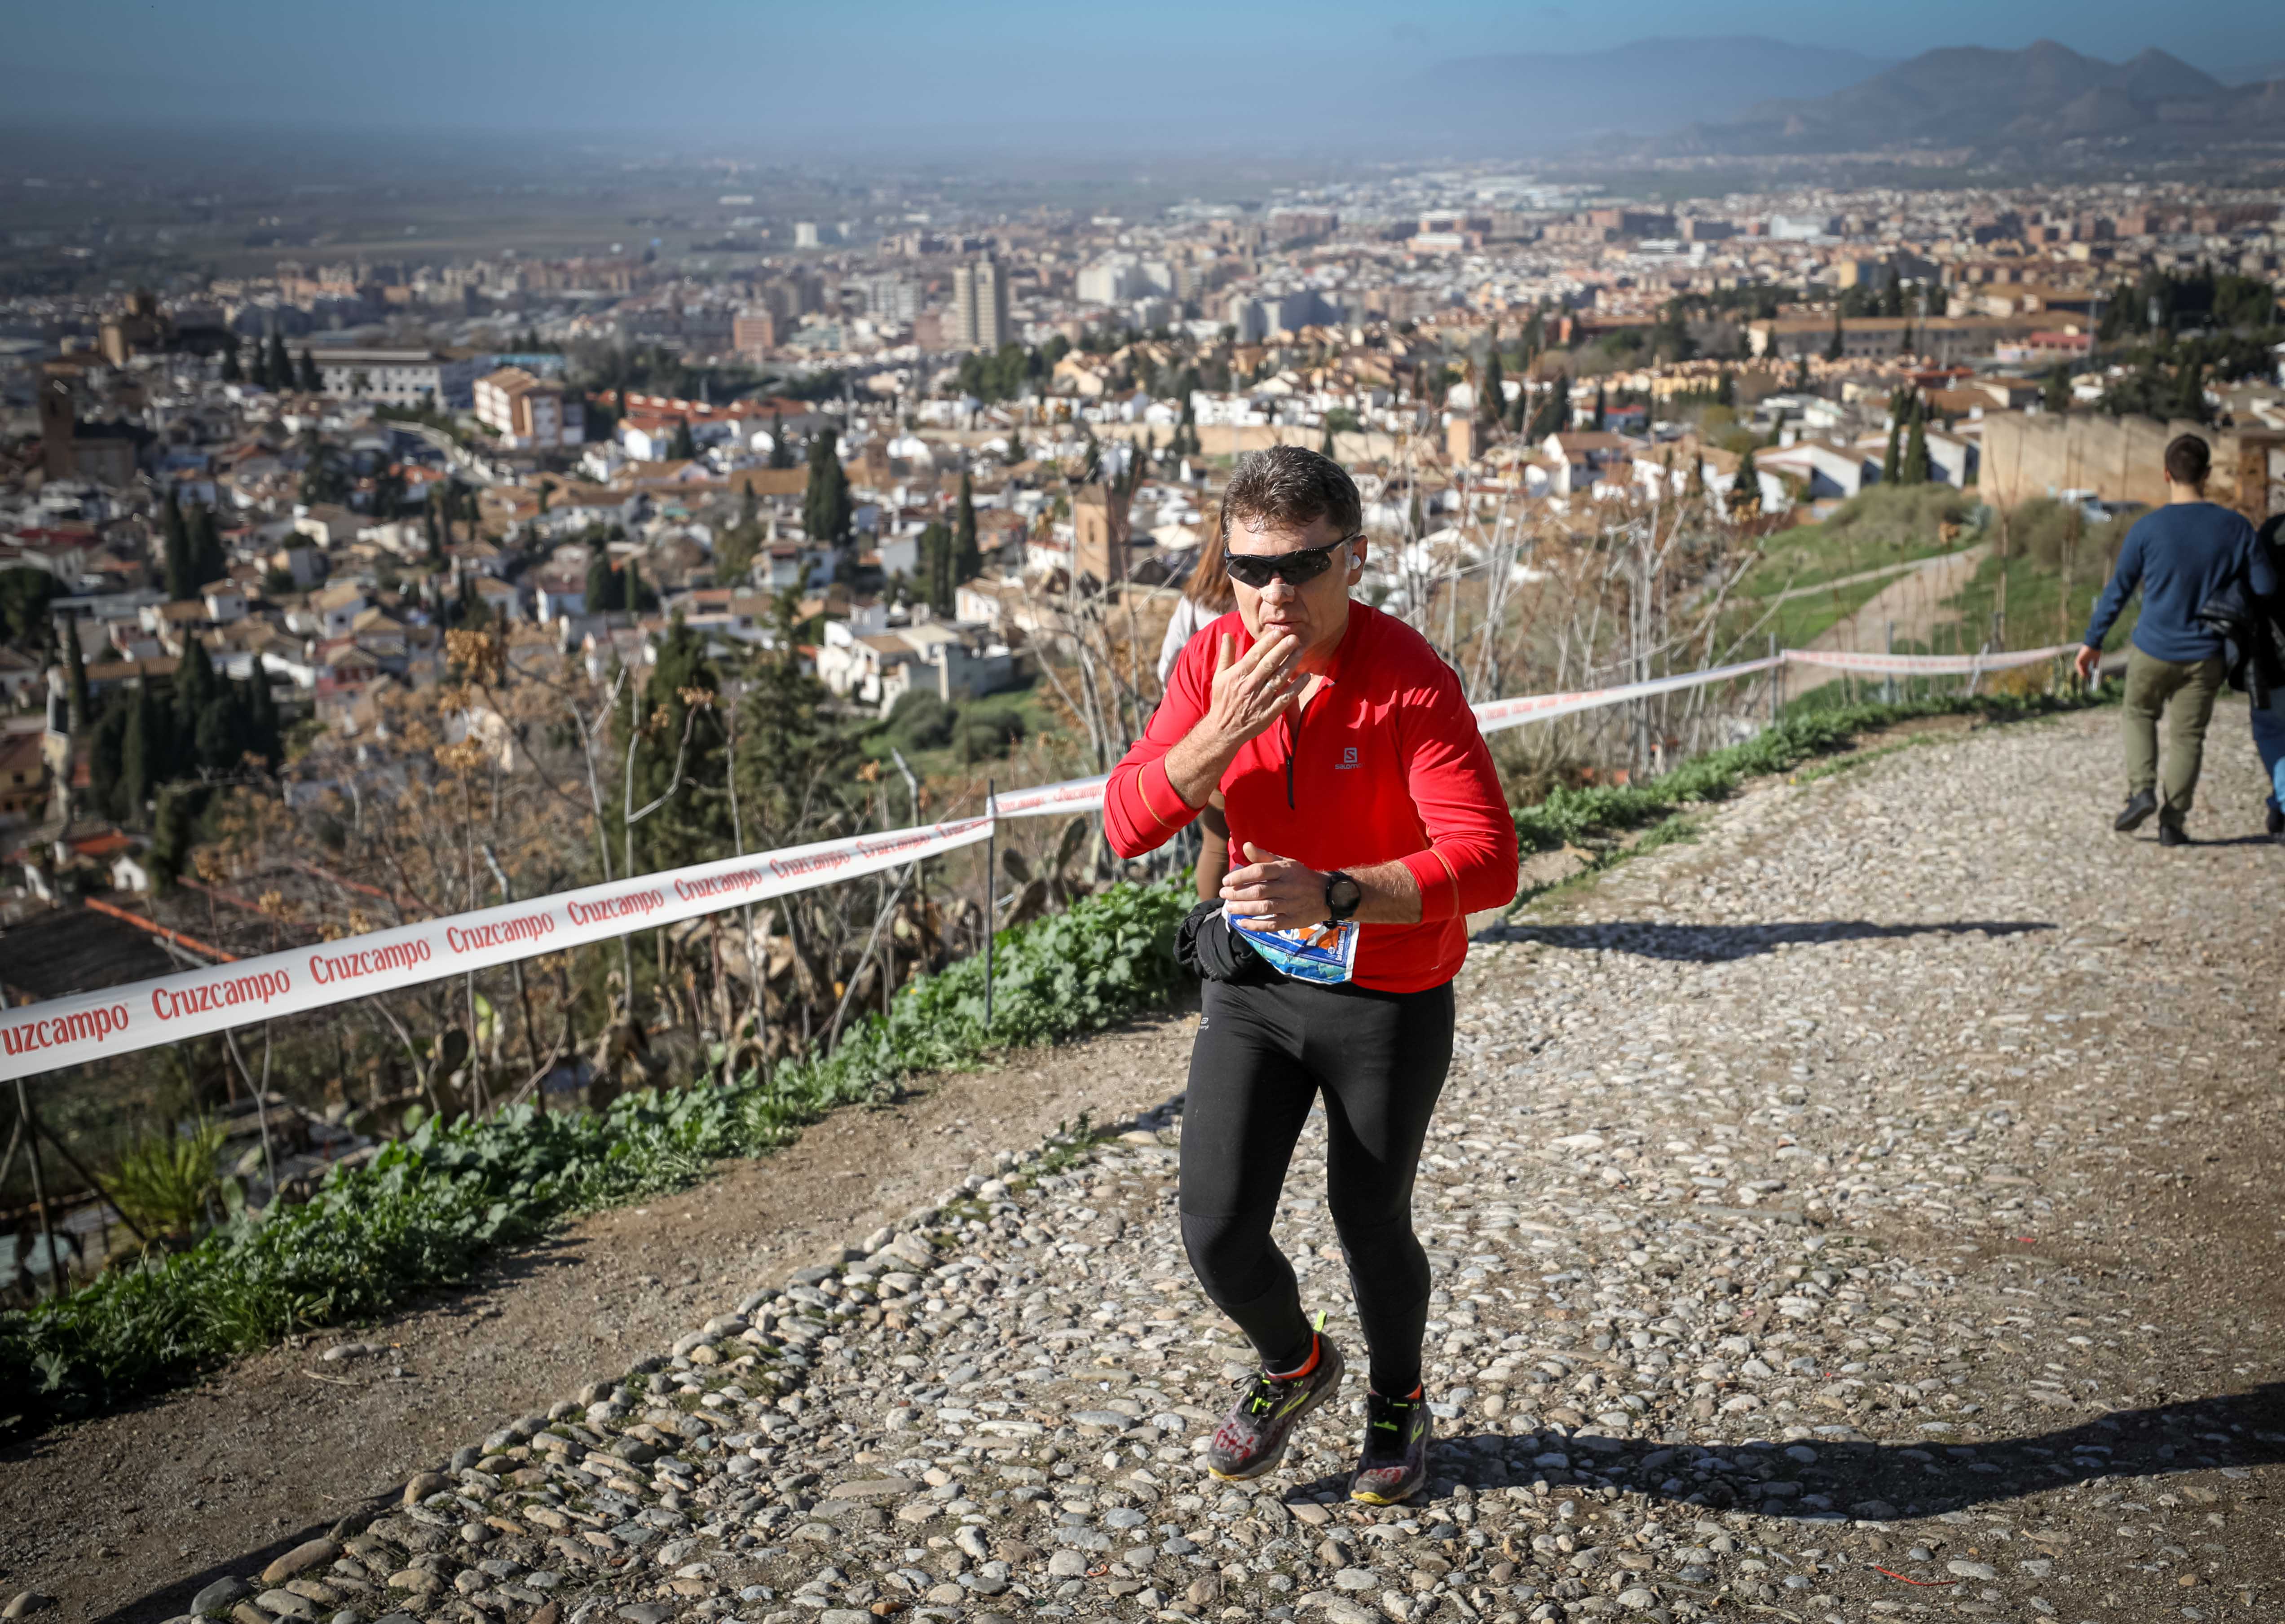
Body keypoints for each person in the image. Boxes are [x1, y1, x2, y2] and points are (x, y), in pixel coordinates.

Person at [1104, 446, 1518, 1504]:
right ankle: (1294, 1363)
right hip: (1254, 989)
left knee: (1365, 1216)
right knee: (1214, 1225)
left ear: (1353, 561)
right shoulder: (1209, 666)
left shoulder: (1407, 677)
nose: (1271, 594)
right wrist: (1214, 737)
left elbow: (1487, 861)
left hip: (1385, 994)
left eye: (1299, 567)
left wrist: (1335, 892)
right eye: (1247, 570)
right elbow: (1123, 821)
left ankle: (1397, 1395)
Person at [2075, 434, 2276, 845]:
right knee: (2188, 737)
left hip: (2152, 648)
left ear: (2167, 474)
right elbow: (2266, 586)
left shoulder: (2147, 528)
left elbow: (2119, 590)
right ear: (2206, 475)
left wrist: (2093, 641)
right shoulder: (2235, 527)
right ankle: (2174, 822)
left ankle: (2142, 789)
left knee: (2138, 714)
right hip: (2207, 655)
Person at [1158, 521, 1240, 898]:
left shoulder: (1193, 602)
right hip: (1263, 737)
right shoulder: (1258, 602)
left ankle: (1210, 937)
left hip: (1206, 738)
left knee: (1216, 844)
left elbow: (1166, 666)